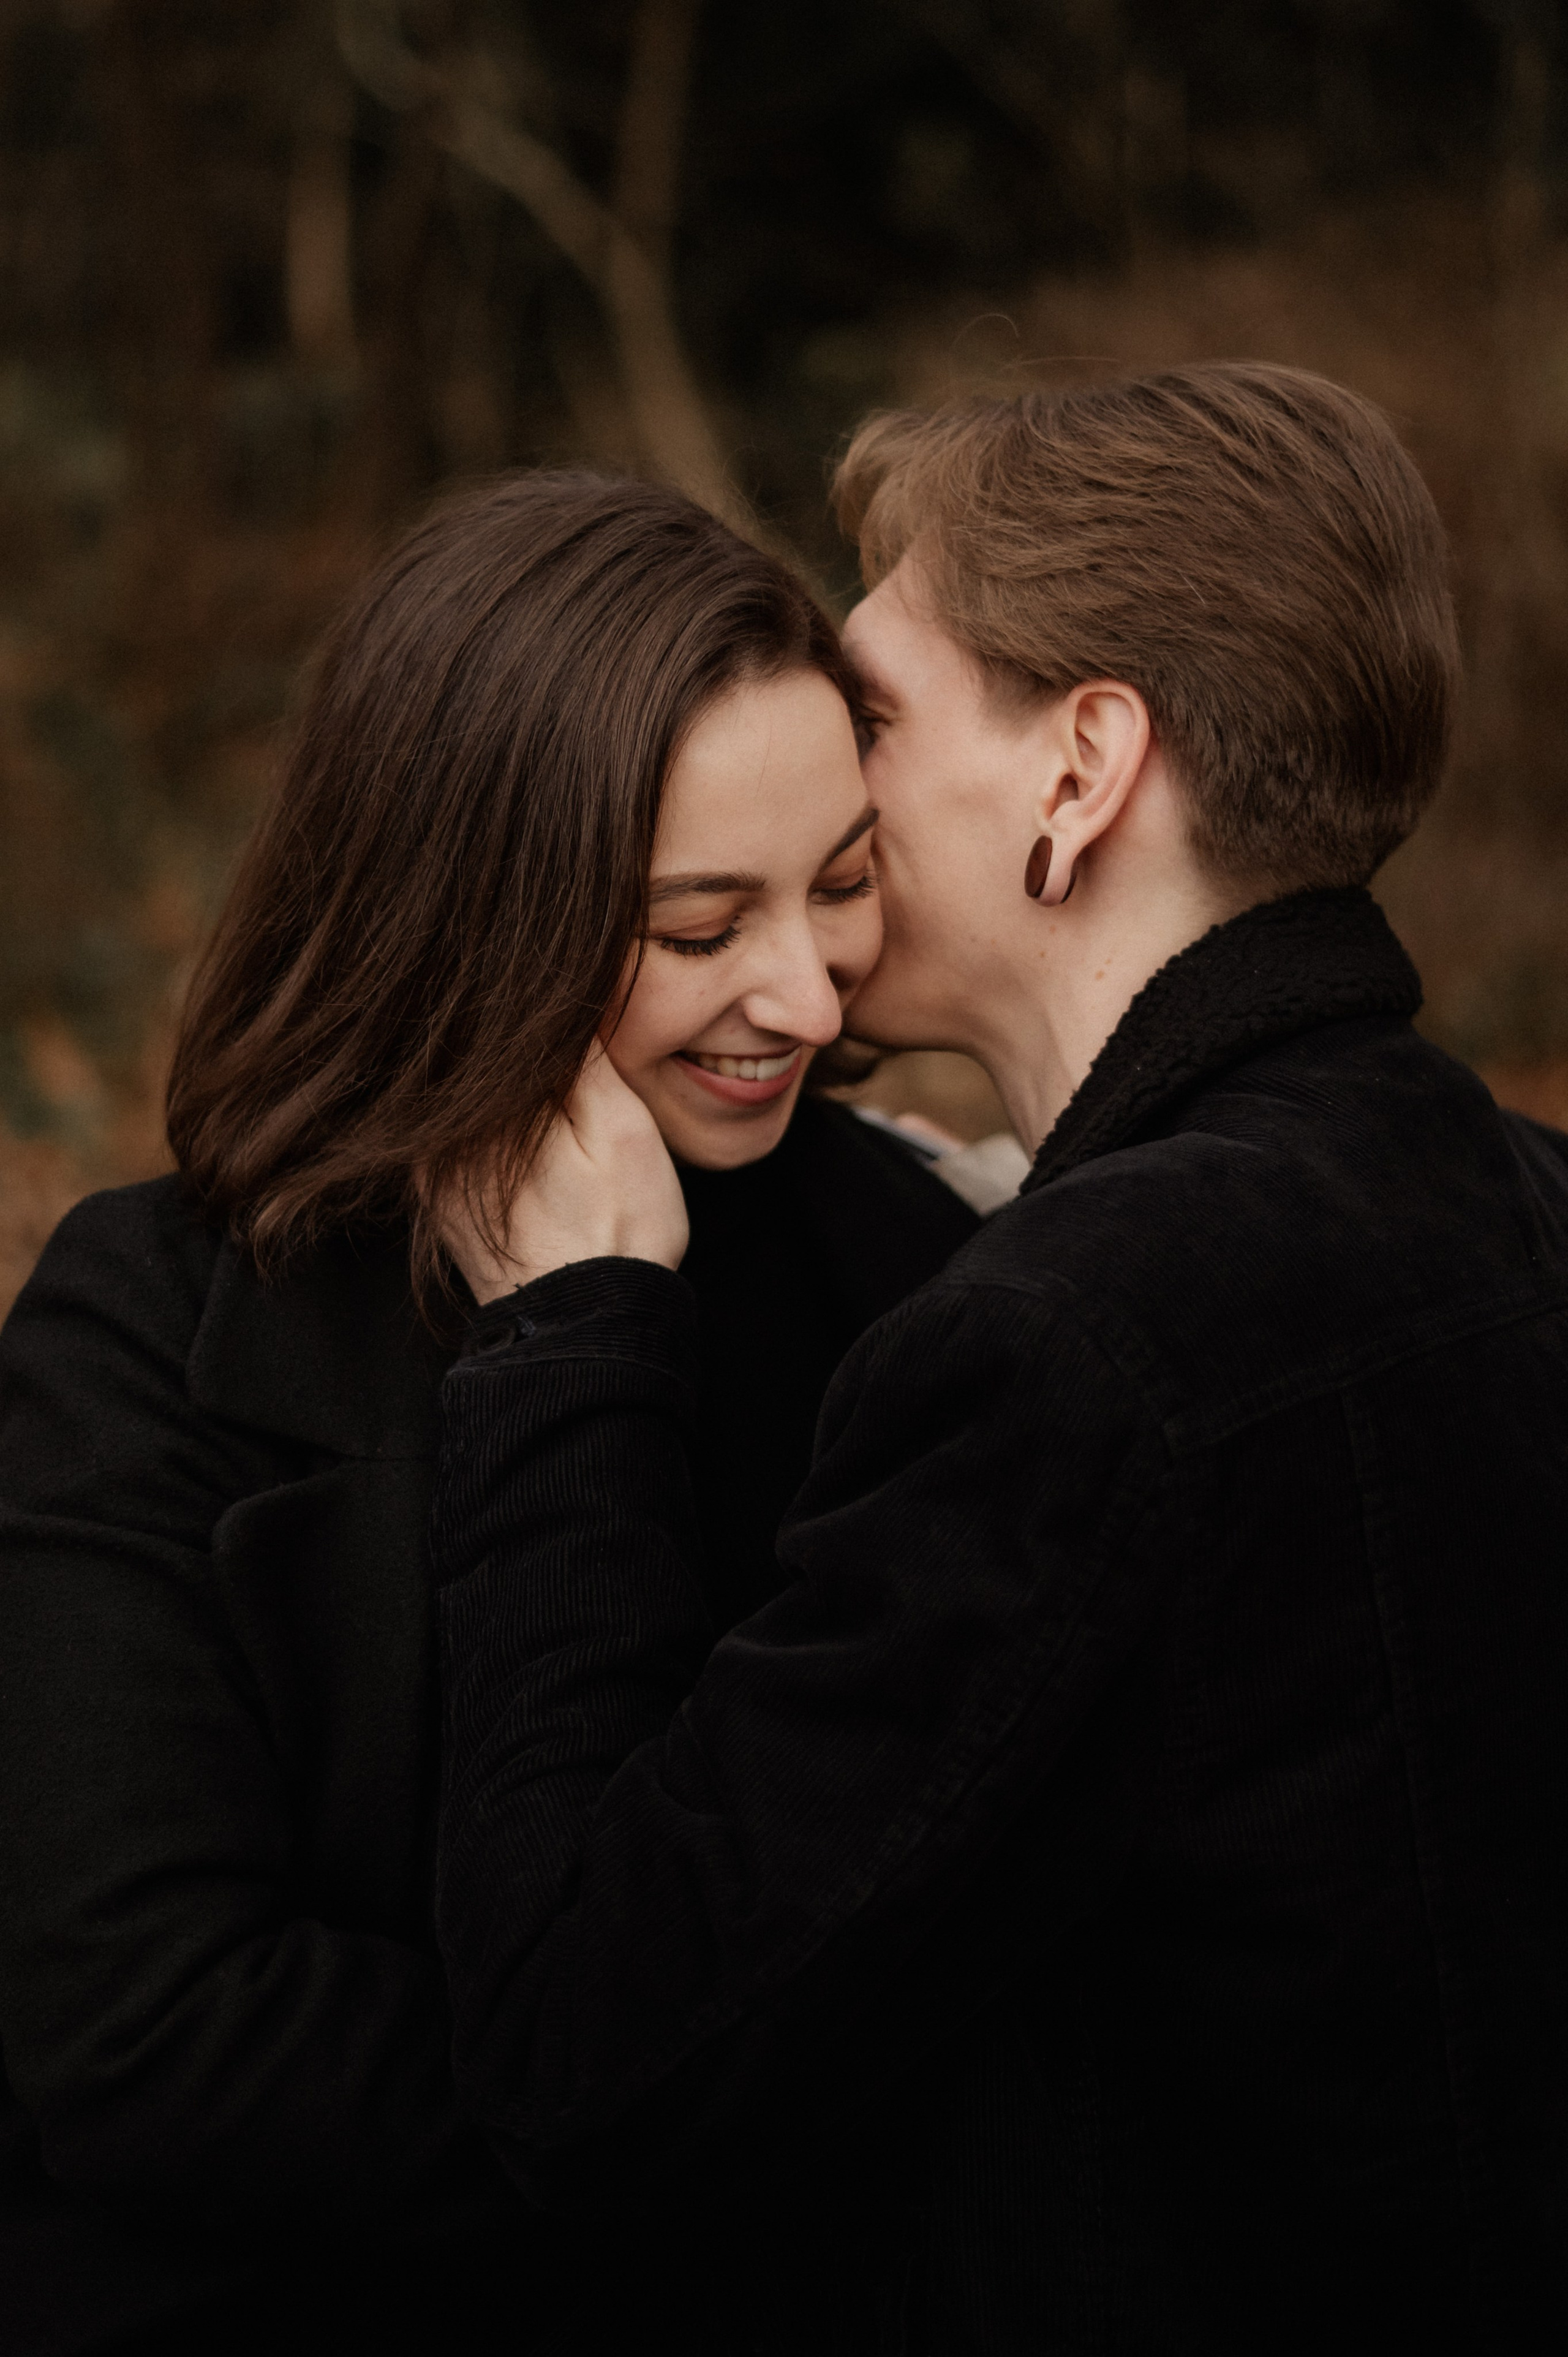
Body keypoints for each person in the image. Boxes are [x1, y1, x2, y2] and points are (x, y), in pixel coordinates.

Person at [429, 366, 1568, 2353]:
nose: (834, 780)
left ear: (1081, 768)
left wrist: (570, 1344)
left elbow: (589, 2051)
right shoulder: (1526, 1203)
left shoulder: (1080, 1351)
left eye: (876, 713)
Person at [0, 474, 979, 2356]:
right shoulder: (146, 1327)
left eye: (842, 882)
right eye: (702, 926)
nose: (804, 988)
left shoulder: (913, 1279)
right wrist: (680, 2115)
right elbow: (146, 2034)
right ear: (476, 912)